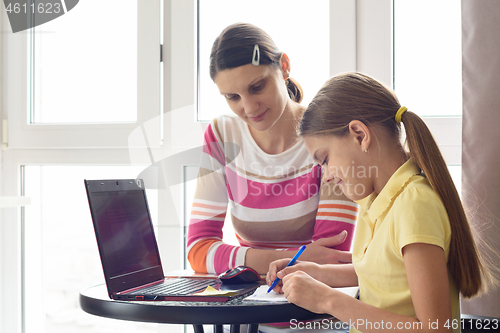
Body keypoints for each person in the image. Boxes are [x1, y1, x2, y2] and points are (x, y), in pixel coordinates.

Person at [267, 72, 491, 332]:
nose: (325, 177)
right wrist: (316, 272)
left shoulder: (414, 205)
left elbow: (436, 329)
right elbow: (385, 275)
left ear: (360, 135)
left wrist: (327, 299)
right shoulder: (375, 203)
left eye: (325, 159)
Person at [187, 23, 358, 275]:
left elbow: (329, 258)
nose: (249, 107)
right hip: (247, 303)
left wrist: (247, 260)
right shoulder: (223, 136)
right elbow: (198, 250)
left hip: (313, 303)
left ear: (284, 67)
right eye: (233, 97)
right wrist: (294, 257)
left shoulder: (330, 133)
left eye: (257, 87)